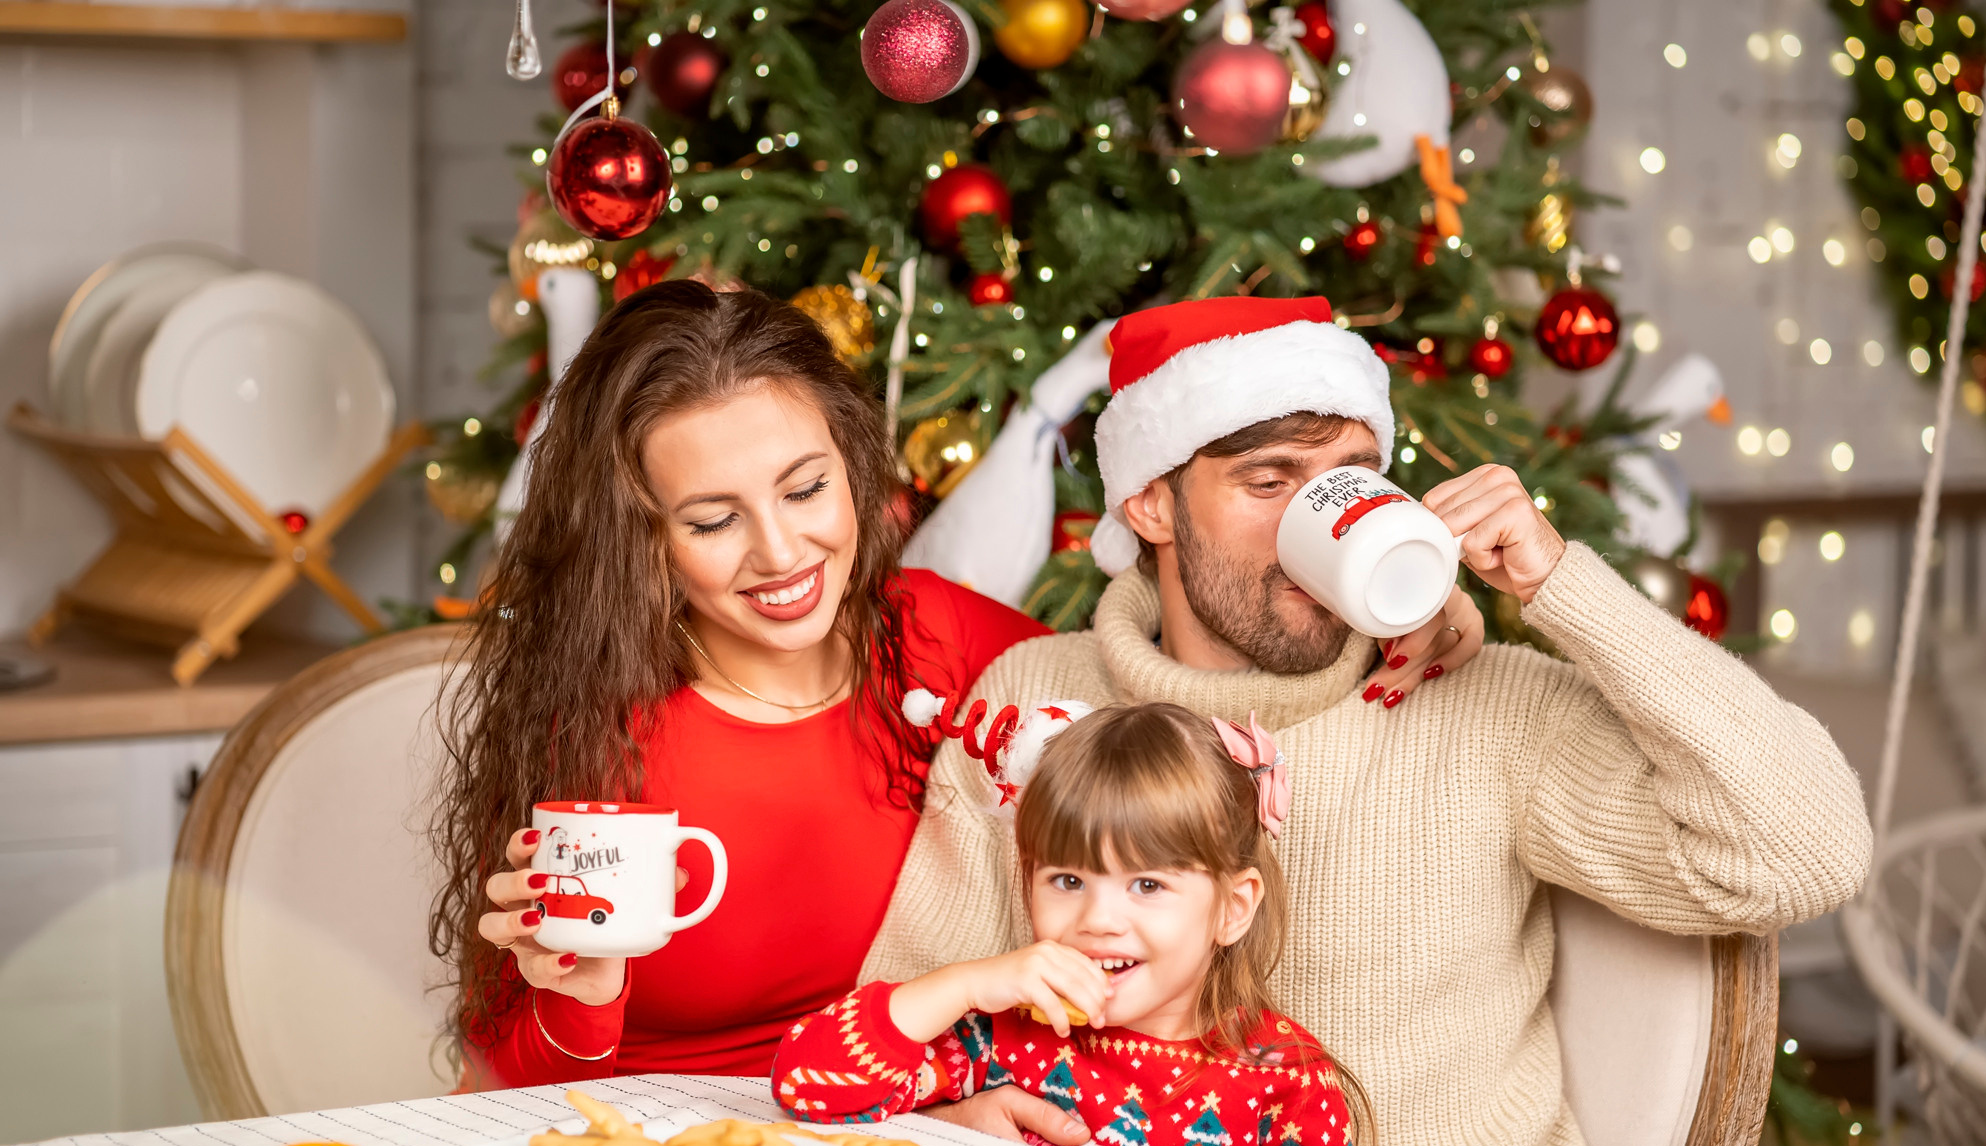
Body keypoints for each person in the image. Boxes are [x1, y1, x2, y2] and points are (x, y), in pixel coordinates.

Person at [861, 295, 1873, 1146]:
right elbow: (897, 1008)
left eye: (1346, 476)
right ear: (1150, 507)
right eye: (1269, 481)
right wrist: (951, 1122)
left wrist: (1556, 582)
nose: (1317, 516)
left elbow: (1805, 852)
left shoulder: (1482, 704)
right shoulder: (1031, 702)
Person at [430, 283, 1485, 1089]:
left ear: (852, 467)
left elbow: (1183, 719)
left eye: (806, 488)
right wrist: (583, 1000)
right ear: (640, 541)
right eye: (711, 520)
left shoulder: (949, 641)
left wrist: (1387, 608)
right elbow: (509, 1082)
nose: (780, 549)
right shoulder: (586, 717)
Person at [774, 701, 1366, 1146]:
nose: (1098, 919)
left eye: (1147, 884)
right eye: (1068, 879)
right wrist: (964, 984)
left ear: (1231, 910)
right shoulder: (1004, 1037)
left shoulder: (1291, 1086)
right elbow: (805, 1087)